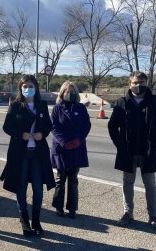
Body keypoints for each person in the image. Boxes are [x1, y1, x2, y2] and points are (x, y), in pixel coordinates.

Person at [108, 71, 156, 231]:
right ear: (130, 84)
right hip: (128, 151)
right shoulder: (122, 102)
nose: (138, 85)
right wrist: (120, 145)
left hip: (148, 151)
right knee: (128, 182)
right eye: (135, 83)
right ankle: (128, 213)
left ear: (146, 83)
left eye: (141, 82)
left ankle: (153, 216)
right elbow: (112, 126)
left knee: (150, 183)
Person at [0, 75, 55, 237]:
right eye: (24, 86)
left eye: (30, 86)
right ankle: (24, 219)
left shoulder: (42, 105)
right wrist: (20, 134)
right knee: (21, 186)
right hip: (20, 154)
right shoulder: (16, 105)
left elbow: (48, 126)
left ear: (36, 87)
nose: (27, 89)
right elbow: (7, 127)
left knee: (38, 187)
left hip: (38, 154)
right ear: (20, 88)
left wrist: (42, 134)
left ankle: (36, 220)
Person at [50, 81, 91, 218]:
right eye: (68, 91)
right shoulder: (57, 108)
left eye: (73, 91)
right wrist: (63, 142)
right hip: (62, 148)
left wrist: (78, 140)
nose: (71, 93)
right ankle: (58, 206)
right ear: (62, 93)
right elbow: (53, 127)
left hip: (76, 147)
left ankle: (72, 208)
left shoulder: (81, 108)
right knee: (60, 179)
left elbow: (86, 126)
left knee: (73, 179)